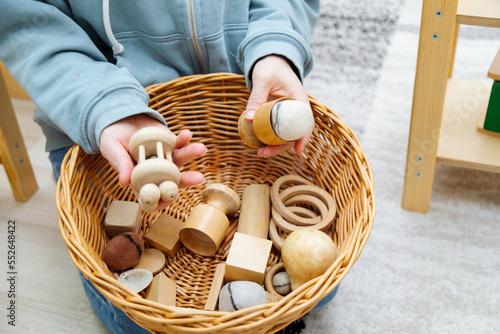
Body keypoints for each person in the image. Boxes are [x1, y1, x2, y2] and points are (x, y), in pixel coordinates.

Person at [0, 1, 320, 332]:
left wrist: (275, 47)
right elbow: (27, 25)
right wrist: (106, 105)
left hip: (238, 88)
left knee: (319, 287)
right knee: (133, 321)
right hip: (93, 113)